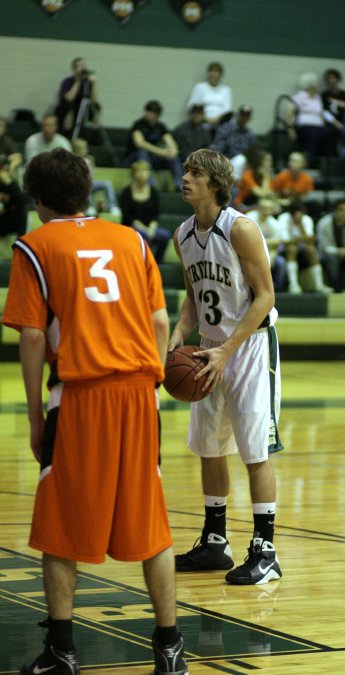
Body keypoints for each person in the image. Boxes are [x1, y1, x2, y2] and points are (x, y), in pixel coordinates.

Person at [2, 148, 188, 675]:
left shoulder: (34, 246)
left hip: (81, 396)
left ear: (37, 200)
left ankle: (62, 653)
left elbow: (33, 337)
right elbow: (157, 322)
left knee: (60, 523)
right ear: (87, 192)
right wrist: (148, 385)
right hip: (139, 393)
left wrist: (37, 415)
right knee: (152, 520)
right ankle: (171, 650)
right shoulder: (132, 239)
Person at [169, 148, 283, 585]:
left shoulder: (241, 229)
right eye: (185, 171)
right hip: (210, 347)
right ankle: (215, 542)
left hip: (250, 345)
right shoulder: (183, 234)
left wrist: (228, 350)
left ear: (215, 183)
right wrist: (180, 332)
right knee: (208, 447)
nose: (186, 178)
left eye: (195, 173)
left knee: (255, 450)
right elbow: (194, 296)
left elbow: (266, 296)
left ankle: (266, 552)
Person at [119, 159, 171, 264]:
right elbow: (127, 216)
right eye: (139, 171)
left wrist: (152, 227)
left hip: (149, 227)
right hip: (131, 228)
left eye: (145, 171)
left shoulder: (153, 192)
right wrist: (143, 228)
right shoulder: (126, 192)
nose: (142, 174)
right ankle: (143, 262)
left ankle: (157, 262)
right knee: (144, 235)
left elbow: (155, 214)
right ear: (133, 173)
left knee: (165, 236)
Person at [124, 100, 183, 189]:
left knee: (173, 157)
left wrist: (173, 151)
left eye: (152, 112)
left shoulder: (161, 127)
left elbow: (170, 141)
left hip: (152, 158)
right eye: (148, 112)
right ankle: (151, 185)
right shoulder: (138, 125)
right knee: (142, 152)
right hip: (134, 158)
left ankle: (179, 184)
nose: (149, 114)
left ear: (157, 115)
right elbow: (140, 143)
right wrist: (161, 152)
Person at [277, 200, 330, 293]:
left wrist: (301, 225)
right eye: (294, 213)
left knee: (312, 250)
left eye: (299, 212)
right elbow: (286, 241)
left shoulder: (306, 219)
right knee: (292, 249)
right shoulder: (283, 218)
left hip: (302, 250)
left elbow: (310, 241)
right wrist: (302, 239)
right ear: (290, 212)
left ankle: (319, 285)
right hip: (285, 250)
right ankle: (293, 285)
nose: (297, 215)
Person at [290, 72, 339, 165]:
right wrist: (290, 128)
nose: (319, 85)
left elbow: (323, 112)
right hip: (304, 126)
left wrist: (336, 123)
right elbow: (289, 109)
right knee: (313, 134)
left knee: (330, 132)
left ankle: (326, 163)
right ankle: (309, 162)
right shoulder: (301, 96)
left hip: (318, 126)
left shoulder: (318, 97)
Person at [245, 198, 287, 292]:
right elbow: (247, 240)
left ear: (272, 210)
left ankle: (276, 291)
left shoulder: (275, 224)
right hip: (248, 251)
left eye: (269, 208)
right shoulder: (249, 218)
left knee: (281, 262)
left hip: (267, 252)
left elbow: (277, 242)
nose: (266, 211)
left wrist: (259, 241)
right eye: (263, 208)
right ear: (258, 208)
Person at [72, 137, 120, 215]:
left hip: (90, 182)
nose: (87, 150)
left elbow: (90, 174)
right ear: (77, 150)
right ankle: (90, 206)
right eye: (84, 148)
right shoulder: (73, 161)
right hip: (79, 185)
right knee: (86, 185)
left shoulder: (88, 159)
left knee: (107, 183)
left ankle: (113, 206)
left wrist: (92, 165)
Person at [210, 104, 257, 182]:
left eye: (246, 116)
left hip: (243, 165)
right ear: (237, 115)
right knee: (241, 159)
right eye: (242, 115)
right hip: (225, 162)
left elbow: (253, 152)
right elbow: (217, 147)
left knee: (243, 160)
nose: (244, 118)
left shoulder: (250, 134)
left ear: (249, 118)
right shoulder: (226, 128)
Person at [55, 57, 99, 137]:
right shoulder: (67, 81)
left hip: (83, 106)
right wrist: (78, 81)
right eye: (77, 66)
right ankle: (68, 133)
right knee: (69, 107)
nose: (80, 68)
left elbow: (94, 100)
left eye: (82, 66)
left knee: (96, 107)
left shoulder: (87, 82)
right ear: (73, 68)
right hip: (70, 106)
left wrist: (94, 85)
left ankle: (95, 135)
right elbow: (69, 98)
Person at [187, 62, 233, 128]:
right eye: (212, 71)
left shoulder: (226, 90)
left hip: (220, 123)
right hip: (201, 121)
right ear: (208, 73)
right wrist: (205, 118)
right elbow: (191, 105)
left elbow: (227, 110)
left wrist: (216, 120)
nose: (214, 74)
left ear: (221, 75)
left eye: (216, 72)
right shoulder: (200, 87)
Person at [0, 156, 28, 242]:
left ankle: (21, 243)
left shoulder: (9, 184)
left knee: (23, 212)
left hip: (8, 222)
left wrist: (9, 182)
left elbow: (21, 203)